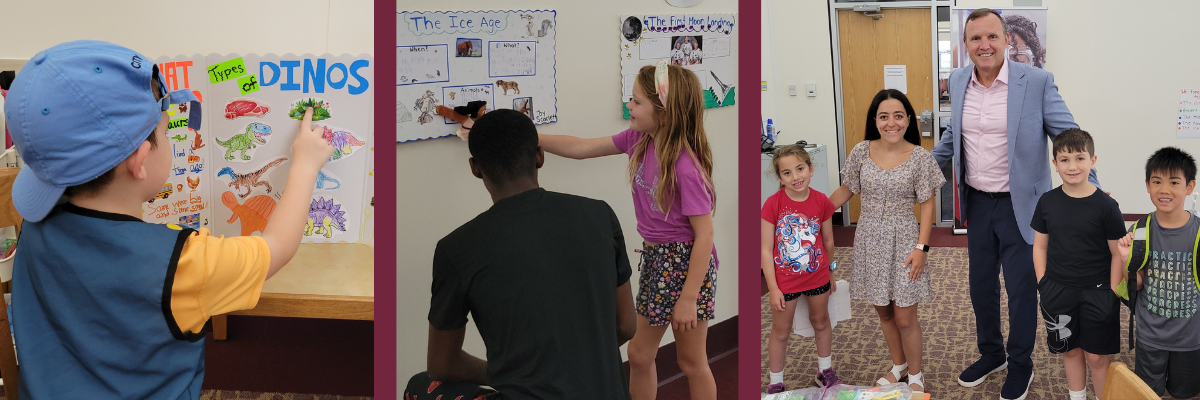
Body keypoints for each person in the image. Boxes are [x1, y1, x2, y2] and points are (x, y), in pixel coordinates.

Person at [4, 40, 334, 399]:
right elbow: (277, 247)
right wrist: (303, 166)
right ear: (141, 160)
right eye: (165, 130)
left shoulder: (36, 226)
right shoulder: (184, 262)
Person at [407, 109, 637, 400]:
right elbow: (626, 326)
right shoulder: (599, 214)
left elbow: (441, 365)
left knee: (419, 385)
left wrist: (513, 373)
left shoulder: (456, 248)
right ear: (539, 156)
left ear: (475, 168)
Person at [930, 9, 1097, 400]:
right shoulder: (957, 80)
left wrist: (1094, 190)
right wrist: (911, 173)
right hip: (976, 202)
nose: (984, 45)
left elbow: (1068, 135)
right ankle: (993, 354)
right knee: (980, 287)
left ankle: (1021, 363)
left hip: (1022, 206)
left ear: (1006, 39)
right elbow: (952, 138)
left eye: (991, 37)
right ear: (965, 45)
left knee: (1022, 289)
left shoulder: (1035, 81)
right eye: (975, 39)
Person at [539, 60, 718, 400]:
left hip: (686, 264)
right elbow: (581, 148)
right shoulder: (639, 139)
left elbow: (705, 236)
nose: (628, 106)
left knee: (691, 360)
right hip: (656, 258)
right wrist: (530, 136)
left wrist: (688, 298)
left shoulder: (686, 166)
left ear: (664, 113)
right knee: (639, 354)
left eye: (636, 101)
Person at [829, 89, 945, 394]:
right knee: (883, 310)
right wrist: (810, 215)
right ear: (875, 120)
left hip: (905, 241)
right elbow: (845, 191)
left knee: (905, 315)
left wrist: (922, 249)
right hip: (869, 240)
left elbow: (928, 205)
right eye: (883, 116)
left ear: (908, 120)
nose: (890, 123)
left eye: (898, 116)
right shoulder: (860, 152)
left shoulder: (921, 158)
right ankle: (898, 366)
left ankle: (916, 374)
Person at [1029, 129, 1125, 400]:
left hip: (1099, 293)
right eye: (1065, 159)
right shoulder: (1047, 202)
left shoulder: (1107, 206)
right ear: (1054, 164)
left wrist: (1114, 289)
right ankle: (1077, 396)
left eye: (1080, 158)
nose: (1072, 166)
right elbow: (1040, 246)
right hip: (1057, 290)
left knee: (1096, 356)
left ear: (1093, 161)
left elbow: (1117, 253)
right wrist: (1043, 283)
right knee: (1069, 350)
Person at [1117, 147, 1200, 400]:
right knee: (1146, 393)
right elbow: (1137, 284)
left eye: (1174, 182)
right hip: (1150, 335)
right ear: (1147, 185)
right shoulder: (1140, 230)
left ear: (1189, 186)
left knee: (1185, 393)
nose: (1164, 189)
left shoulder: (1197, 232)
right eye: (1157, 182)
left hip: (1191, 336)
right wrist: (1124, 259)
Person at [761, 144, 839, 394]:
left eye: (800, 168)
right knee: (781, 332)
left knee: (821, 322)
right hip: (785, 283)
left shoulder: (821, 201)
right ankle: (776, 382)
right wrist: (772, 288)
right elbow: (765, 249)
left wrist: (831, 271)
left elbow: (828, 241)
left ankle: (824, 370)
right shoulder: (773, 204)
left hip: (817, 278)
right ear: (779, 177)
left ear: (811, 169)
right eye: (787, 173)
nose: (795, 177)